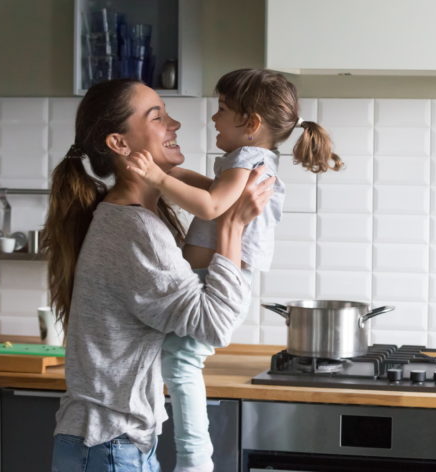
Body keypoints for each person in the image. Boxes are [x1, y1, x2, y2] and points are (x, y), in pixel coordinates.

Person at [43, 78, 274, 472]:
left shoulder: (136, 217)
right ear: (120, 144)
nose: (175, 125)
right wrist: (232, 226)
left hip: (112, 443)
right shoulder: (135, 229)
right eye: (158, 117)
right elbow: (213, 325)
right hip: (109, 446)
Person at [126, 68, 343, 472]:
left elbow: (211, 207)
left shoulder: (248, 159)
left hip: (219, 282)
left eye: (222, 109)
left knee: (181, 362)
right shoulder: (248, 160)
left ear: (251, 124)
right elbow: (214, 193)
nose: (213, 118)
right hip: (211, 280)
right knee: (176, 358)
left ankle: (194, 458)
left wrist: (157, 174)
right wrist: (169, 172)